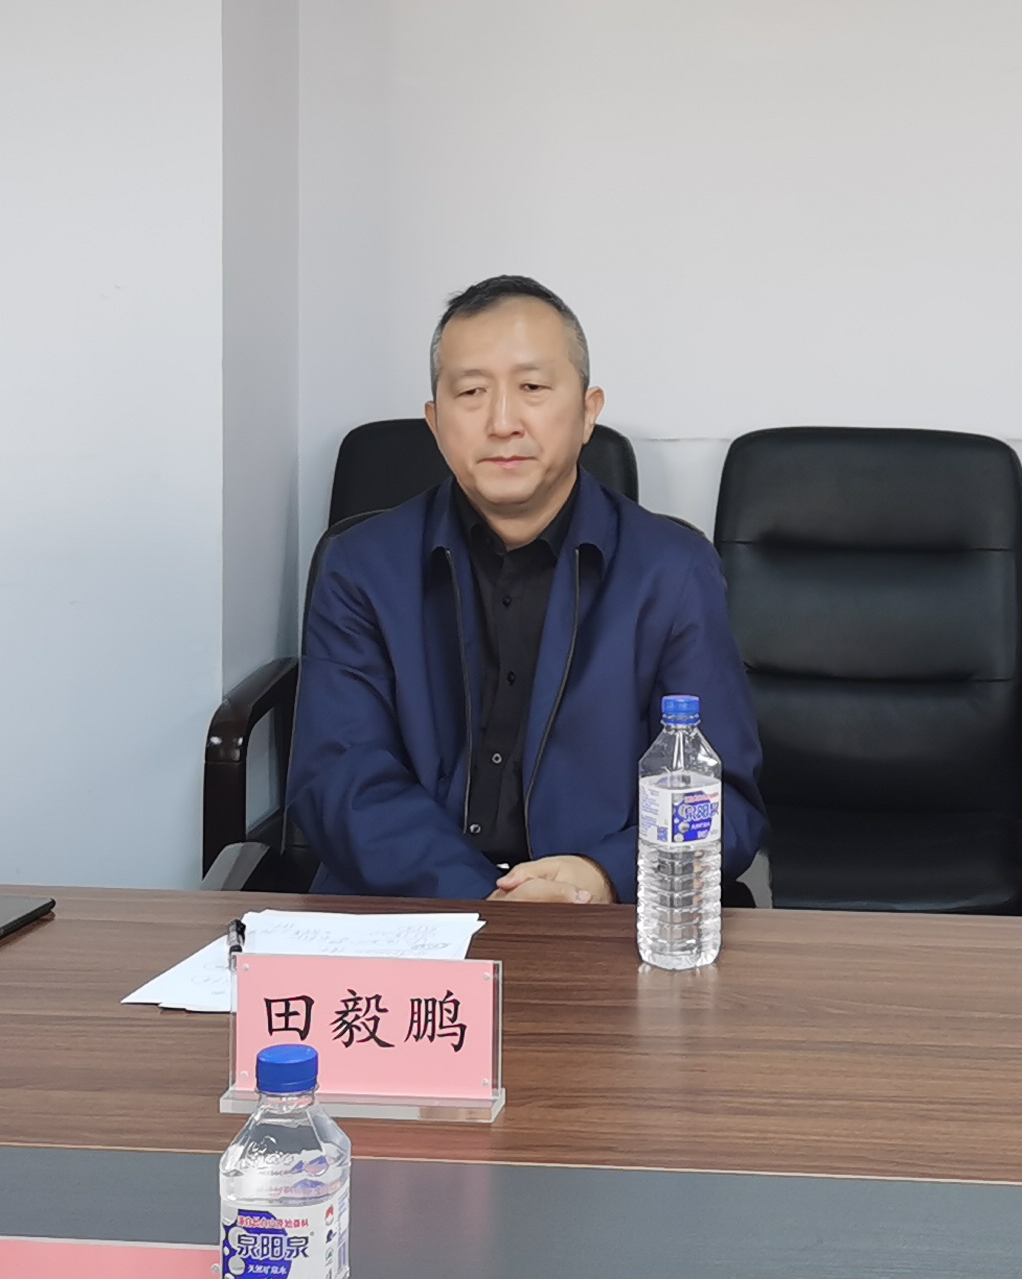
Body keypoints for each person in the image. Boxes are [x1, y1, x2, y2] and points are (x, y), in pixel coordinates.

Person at [291, 276, 762, 902]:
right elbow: (339, 780)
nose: (503, 422)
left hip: (596, 919)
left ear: (589, 412)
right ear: (435, 421)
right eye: (471, 392)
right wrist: (487, 899)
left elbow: (720, 801)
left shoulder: (672, 571)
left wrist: (602, 877)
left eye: (533, 388)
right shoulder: (360, 567)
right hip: (407, 913)